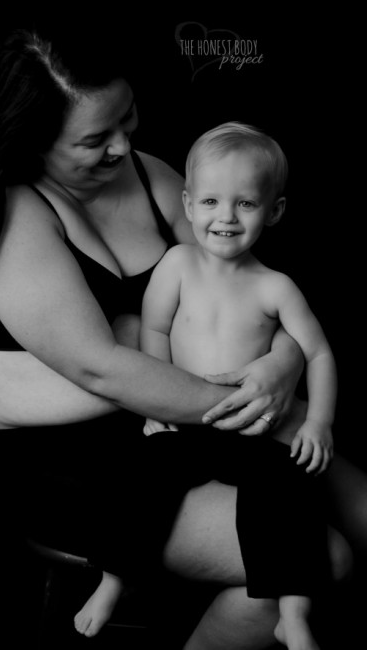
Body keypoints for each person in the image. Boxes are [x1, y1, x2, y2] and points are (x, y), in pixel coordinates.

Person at [0, 24, 366, 649]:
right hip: (65, 459)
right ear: (31, 138)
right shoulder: (2, 217)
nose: (122, 146)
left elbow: (245, 293)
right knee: (317, 560)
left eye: (127, 119)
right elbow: (101, 367)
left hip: (185, 417)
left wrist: (283, 364)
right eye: (94, 139)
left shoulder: (150, 177)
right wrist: (258, 407)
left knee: (354, 492)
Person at [74, 122, 335, 649]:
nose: (225, 217)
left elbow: (320, 352)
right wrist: (154, 399)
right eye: (212, 201)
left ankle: (292, 612)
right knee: (140, 481)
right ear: (189, 205)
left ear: (274, 212)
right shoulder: (177, 265)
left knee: (294, 493)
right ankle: (112, 583)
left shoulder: (275, 287)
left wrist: (319, 421)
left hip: (250, 431)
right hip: (184, 423)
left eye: (245, 204)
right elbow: (155, 328)